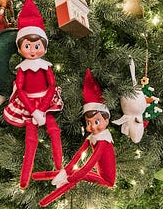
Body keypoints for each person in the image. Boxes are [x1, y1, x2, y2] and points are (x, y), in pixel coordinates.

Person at [3, 0, 63, 189]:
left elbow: (52, 86)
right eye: (27, 46)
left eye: (36, 46)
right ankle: (24, 178)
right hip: (28, 104)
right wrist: (34, 110)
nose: (32, 50)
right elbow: (19, 89)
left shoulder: (46, 66)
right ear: (20, 48)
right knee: (31, 139)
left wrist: (43, 109)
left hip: (45, 101)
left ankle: (60, 168)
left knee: (54, 131)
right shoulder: (22, 68)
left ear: (44, 46)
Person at [32, 68, 116, 207]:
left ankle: (46, 201)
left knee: (76, 177)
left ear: (106, 120)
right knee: (71, 173)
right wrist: (67, 170)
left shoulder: (104, 141)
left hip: (107, 180)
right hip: (97, 173)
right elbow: (79, 154)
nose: (92, 127)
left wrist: (72, 177)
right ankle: (38, 176)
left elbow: (90, 162)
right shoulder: (92, 137)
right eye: (88, 123)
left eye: (96, 122)